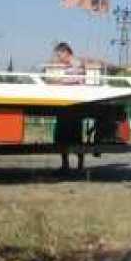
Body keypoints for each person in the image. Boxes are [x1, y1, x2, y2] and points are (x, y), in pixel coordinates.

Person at [49, 42, 87, 172]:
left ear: (66, 52)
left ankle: (79, 165)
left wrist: (58, 82)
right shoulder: (69, 66)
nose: (59, 58)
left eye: (59, 55)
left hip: (74, 106)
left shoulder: (77, 64)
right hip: (67, 105)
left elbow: (77, 79)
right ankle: (66, 164)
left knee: (74, 136)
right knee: (63, 136)